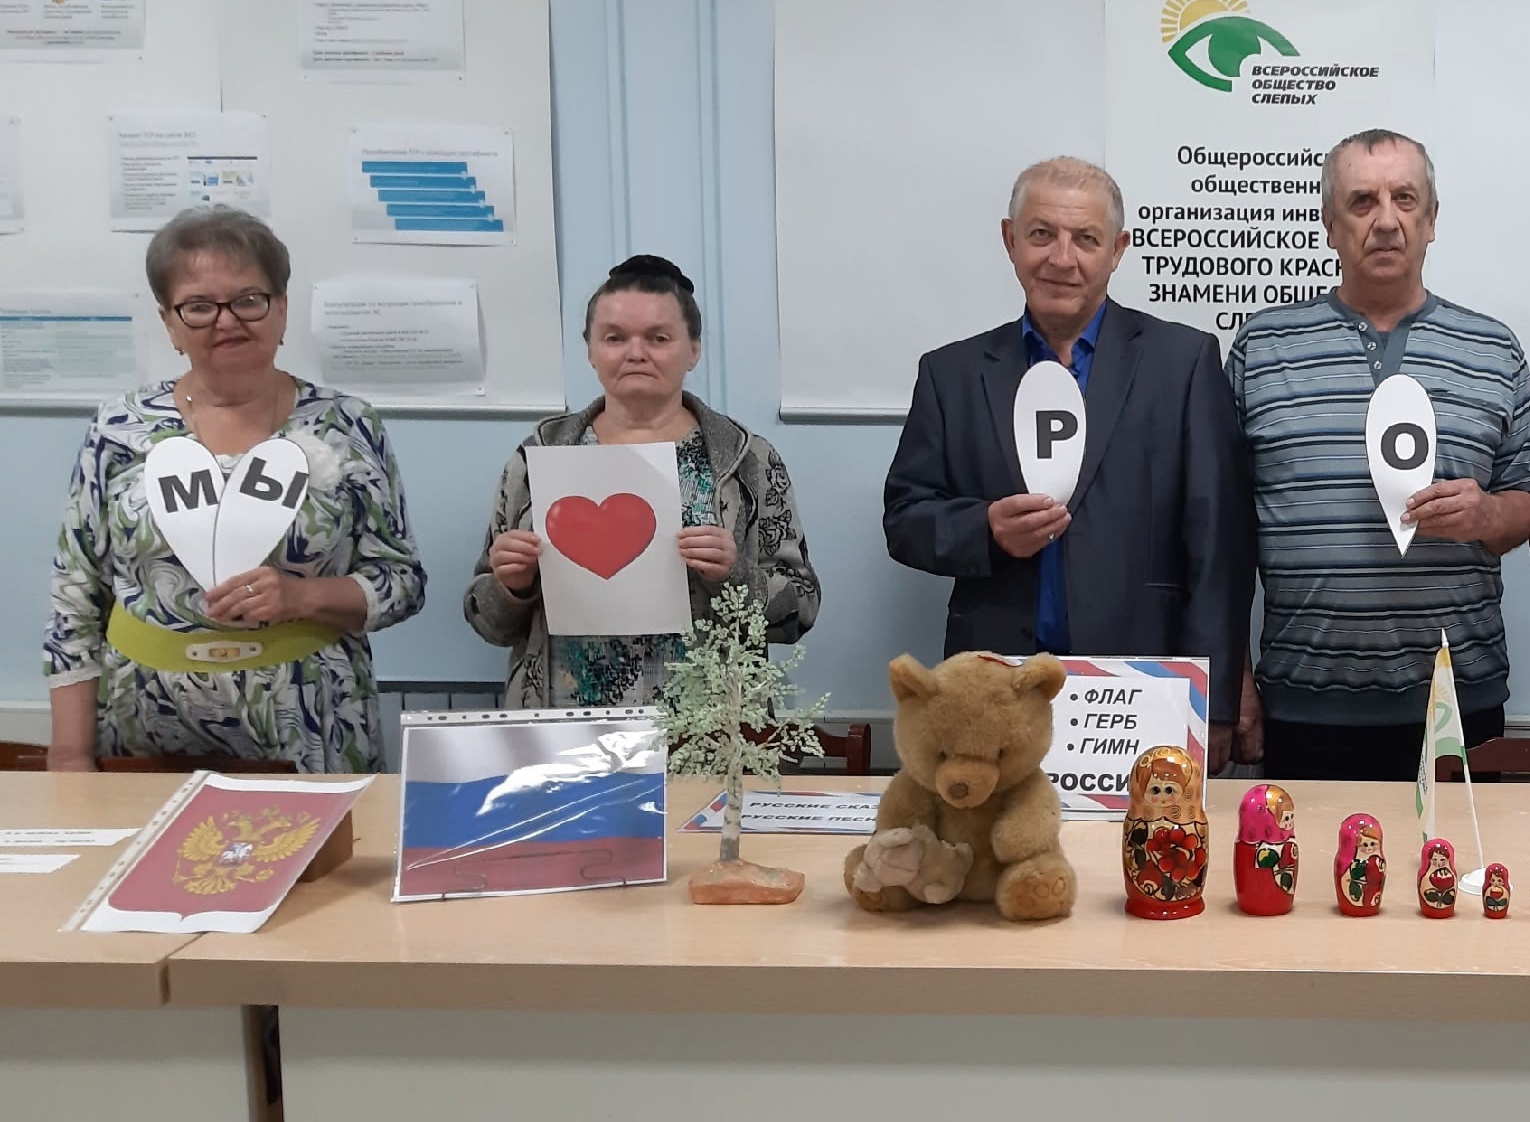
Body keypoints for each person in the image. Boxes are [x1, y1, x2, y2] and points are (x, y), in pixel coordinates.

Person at [882, 157, 1251, 766]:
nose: (1062, 258)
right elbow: (905, 519)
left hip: (1144, 689)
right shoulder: (951, 374)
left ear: (1117, 250)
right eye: (1041, 234)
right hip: (992, 690)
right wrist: (985, 529)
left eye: (1086, 239)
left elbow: (1219, 550)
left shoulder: (1182, 363)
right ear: (1010, 240)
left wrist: (1213, 706)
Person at [45, 207, 424, 771]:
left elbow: (402, 582)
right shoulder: (119, 427)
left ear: (282, 309)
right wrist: (70, 753)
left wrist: (302, 597)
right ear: (170, 324)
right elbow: (75, 595)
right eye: (199, 306)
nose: (227, 321)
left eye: (249, 300)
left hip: (312, 722)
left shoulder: (346, 425)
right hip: (140, 728)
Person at [1226, 129, 1530, 781]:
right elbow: (1221, 536)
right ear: (1330, 224)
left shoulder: (1493, 349)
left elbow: (1526, 502)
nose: (1387, 220)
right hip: (1303, 707)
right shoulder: (1262, 348)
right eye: (1362, 202)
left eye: (1405, 199)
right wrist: (1236, 675)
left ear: (1431, 221)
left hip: (1458, 704)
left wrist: (1487, 516)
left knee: (1453, 855)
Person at [467, 256, 819, 706]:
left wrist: (734, 576)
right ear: (590, 350)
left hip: (710, 722)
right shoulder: (538, 455)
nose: (636, 353)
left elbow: (801, 608)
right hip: (565, 722)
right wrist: (511, 586)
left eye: (659, 338)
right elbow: (487, 621)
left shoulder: (747, 459)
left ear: (693, 350)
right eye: (614, 337)